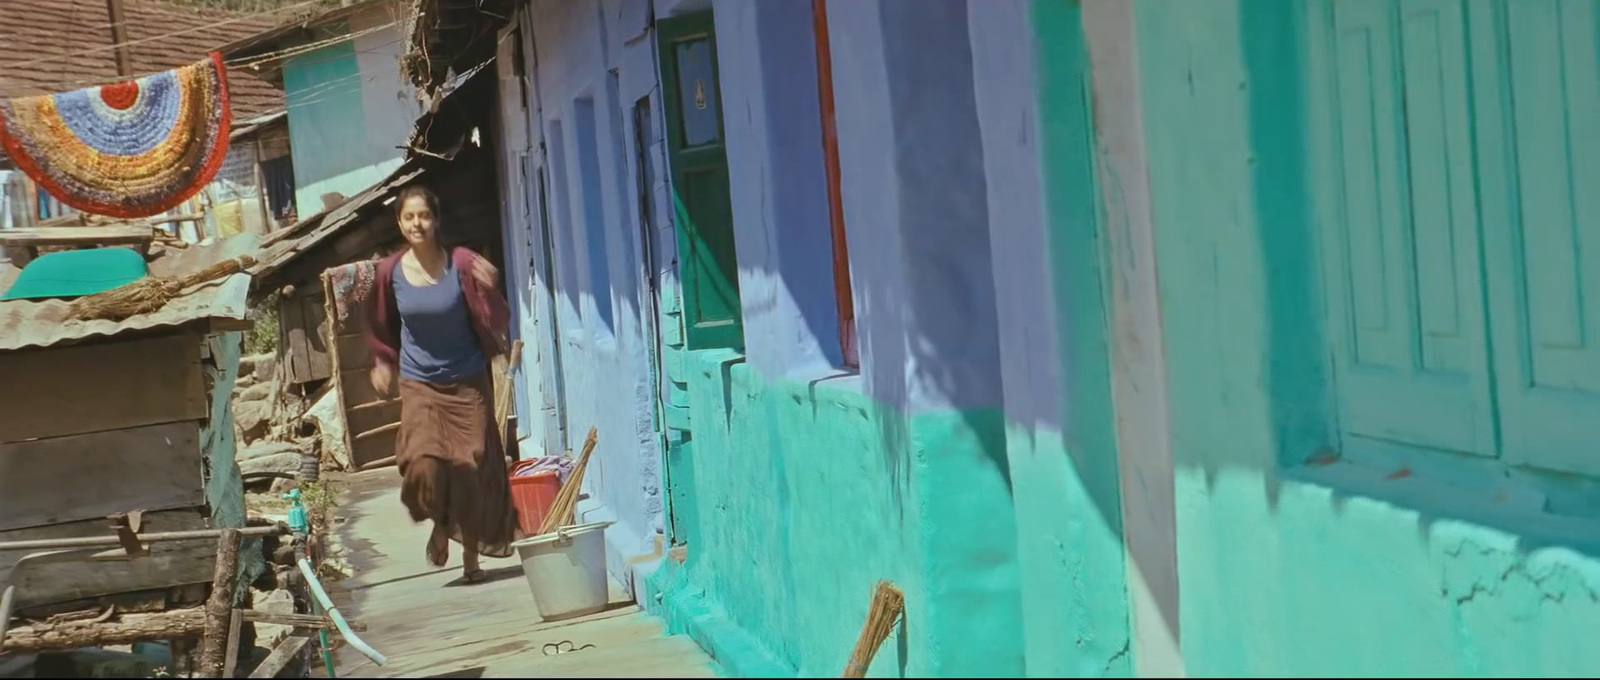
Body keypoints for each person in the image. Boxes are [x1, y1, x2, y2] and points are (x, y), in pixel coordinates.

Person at [363, 184, 520, 584]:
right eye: (409, 216)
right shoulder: (389, 273)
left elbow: (492, 310)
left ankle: (470, 559)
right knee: (423, 463)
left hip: (468, 381)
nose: (418, 223)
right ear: (400, 223)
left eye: (425, 215)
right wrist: (383, 361)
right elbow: (380, 324)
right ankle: (439, 521)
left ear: (436, 220)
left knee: (470, 468)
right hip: (420, 383)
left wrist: (491, 282)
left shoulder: (461, 263)